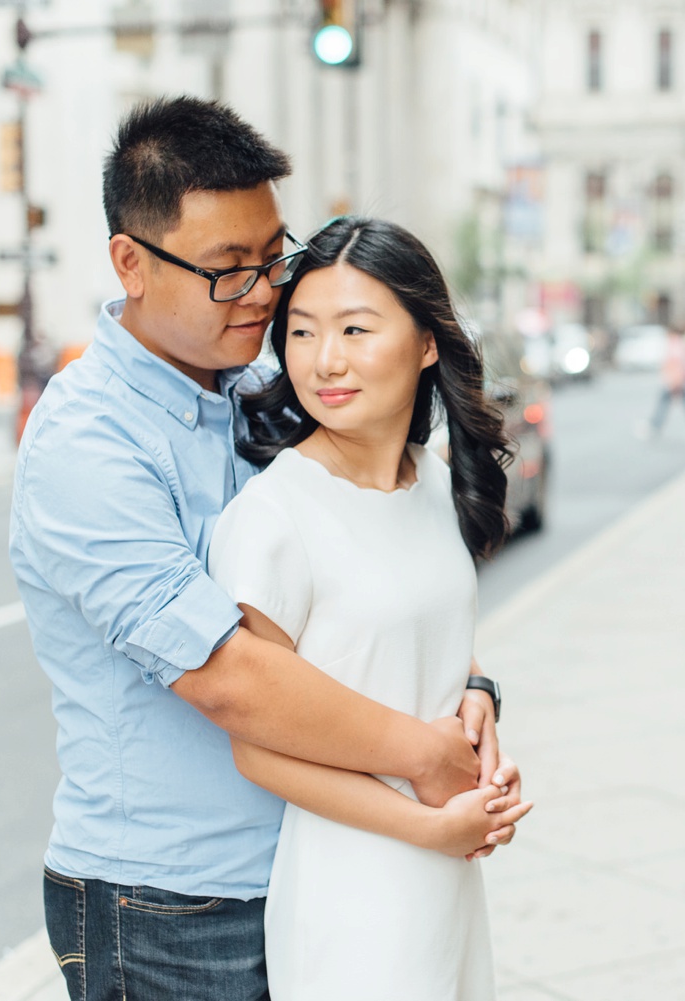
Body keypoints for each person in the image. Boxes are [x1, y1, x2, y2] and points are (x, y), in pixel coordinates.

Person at [10, 98, 520, 1001]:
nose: (262, 293)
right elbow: (230, 675)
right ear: (129, 262)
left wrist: (469, 688)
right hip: (165, 900)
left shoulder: (259, 387)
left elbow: (359, 585)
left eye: (270, 257)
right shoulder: (85, 445)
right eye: (224, 270)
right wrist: (426, 757)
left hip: (305, 863)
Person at [211, 216, 531, 1000]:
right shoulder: (274, 516)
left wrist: (477, 709)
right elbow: (256, 747)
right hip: (350, 889)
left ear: (426, 342)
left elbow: (420, 649)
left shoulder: (429, 478)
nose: (326, 360)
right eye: (304, 331)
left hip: (446, 875)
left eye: (356, 328)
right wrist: (430, 827)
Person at [644, 322, 685, 437]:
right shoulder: (681, 343)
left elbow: (676, 364)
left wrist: (675, 381)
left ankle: (655, 425)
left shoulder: (675, 343)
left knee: (664, 403)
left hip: (675, 380)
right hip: (680, 380)